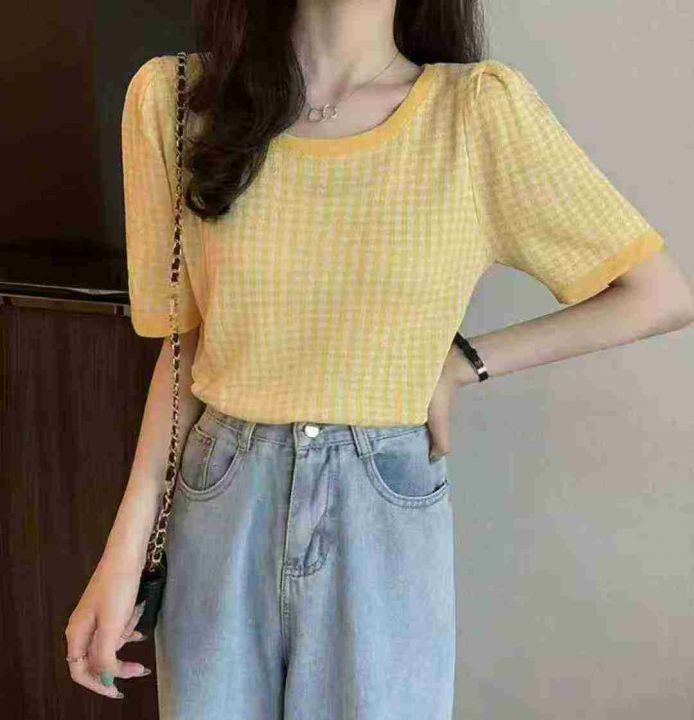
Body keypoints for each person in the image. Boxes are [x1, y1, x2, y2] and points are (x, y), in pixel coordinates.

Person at [64, 0, 694, 718]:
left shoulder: (475, 114)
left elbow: (658, 294)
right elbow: (188, 346)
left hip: (381, 513)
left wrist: (462, 363)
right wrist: (124, 551)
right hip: (222, 498)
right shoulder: (178, 102)